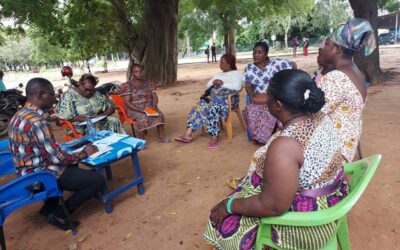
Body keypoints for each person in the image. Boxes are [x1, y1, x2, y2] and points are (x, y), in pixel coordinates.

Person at [204, 69, 348, 250]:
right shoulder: (320, 116)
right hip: (334, 196)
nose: (265, 98)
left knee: (222, 220)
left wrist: (229, 205)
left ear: (278, 105)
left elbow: (273, 206)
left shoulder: (285, 146)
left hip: (309, 225)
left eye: (268, 95)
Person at [8, 78, 105, 231]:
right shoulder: (37, 121)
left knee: (72, 163)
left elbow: (45, 151)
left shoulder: (19, 114)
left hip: (24, 174)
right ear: (41, 95)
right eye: (52, 94)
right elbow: (57, 158)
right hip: (38, 176)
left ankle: (48, 207)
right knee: (97, 180)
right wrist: (84, 153)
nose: (54, 98)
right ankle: (59, 213)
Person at [318, 18, 376, 162]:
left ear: (336, 48)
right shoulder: (357, 73)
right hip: (347, 148)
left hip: (331, 154)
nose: (322, 47)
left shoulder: (335, 78)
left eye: (326, 43)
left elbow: (313, 112)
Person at [174, 54, 243, 149]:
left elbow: (237, 87)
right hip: (214, 98)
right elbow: (208, 85)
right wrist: (215, 82)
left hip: (229, 100)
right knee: (199, 105)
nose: (220, 64)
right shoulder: (218, 74)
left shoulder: (237, 74)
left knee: (213, 107)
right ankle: (188, 133)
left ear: (229, 64)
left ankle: (215, 137)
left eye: (222, 63)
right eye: (220, 62)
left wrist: (222, 84)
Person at [242, 41, 293, 144]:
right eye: (254, 52)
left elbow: (293, 65)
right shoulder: (249, 68)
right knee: (250, 110)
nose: (256, 55)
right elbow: (248, 87)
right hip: (258, 97)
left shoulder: (275, 64)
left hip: (273, 96)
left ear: (266, 55)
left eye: (260, 52)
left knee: (270, 109)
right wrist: (251, 93)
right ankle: (258, 136)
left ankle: (265, 138)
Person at [56, 73, 126, 136]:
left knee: (114, 120)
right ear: (80, 84)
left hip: (97, 121)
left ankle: (119, 145)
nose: (88, 93)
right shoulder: (69, 95)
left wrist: (101, 115)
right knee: (94, 127)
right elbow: (60, 120)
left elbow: (111, 107)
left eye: (91, 90)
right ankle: (103, 148)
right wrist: (77, 118)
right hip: (78, 125)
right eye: (86, 89)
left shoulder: (96, 93)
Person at [120, 64, 170, 143]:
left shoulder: (149, 83)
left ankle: (161, 136)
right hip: (134, 108)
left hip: (148, 107)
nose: (139, 73)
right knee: (142, 117)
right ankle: (142, 140)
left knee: (159, 114)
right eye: (136, 72)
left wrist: (154, 106)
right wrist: (140, 110)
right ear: (132, 73)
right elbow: (127, 102)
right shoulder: (127, 85)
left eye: (140, 71)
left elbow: (154, 96)